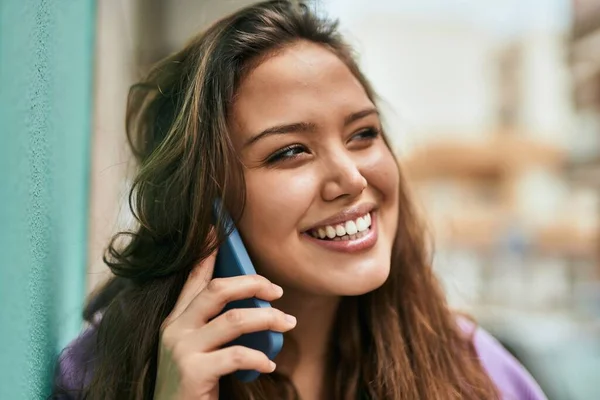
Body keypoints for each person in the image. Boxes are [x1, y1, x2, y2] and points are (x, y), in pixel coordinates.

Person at [52, 1, 547, 399]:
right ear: (203, 199)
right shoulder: (100, 376)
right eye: (290, 151)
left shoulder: (481, 374)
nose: (351, 178)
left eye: (363, 134)